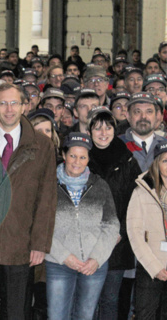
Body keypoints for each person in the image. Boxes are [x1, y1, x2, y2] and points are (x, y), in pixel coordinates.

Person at [0, 83, 57, 320]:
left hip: (21, 245)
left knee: (17, 311)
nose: (9, 109)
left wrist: (39, 243)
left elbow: (46, 197)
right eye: (3, 103)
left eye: (14, 103)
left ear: (24, 106)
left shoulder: (43, 146)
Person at [46, 133, 120, 320]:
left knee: (86, 316)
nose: (77, 161)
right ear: (64, 155)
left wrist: (96, 258)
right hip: (58, 263)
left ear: (88, 159)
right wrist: (65, 257)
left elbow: (111, 225)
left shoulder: (100, 186)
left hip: (93, 265)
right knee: (56, 316)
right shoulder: (48, 185)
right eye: (72, 155)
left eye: (82, 157)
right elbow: (40, 226)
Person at [86, 107, 141, 319]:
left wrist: (122, 232)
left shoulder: (127, 160)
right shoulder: (79, 157)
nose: (103, 132)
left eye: (108, 127)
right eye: (97, 127)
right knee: (86, 299)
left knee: (110, 299)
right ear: (89, 130)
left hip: (117, 244)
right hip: (85, 243)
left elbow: (137, 203)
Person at [127, 142, 167, 318]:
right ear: (156, 164)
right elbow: (135, 234)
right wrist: (155, 267)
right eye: (165, 161)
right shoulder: (142, 191)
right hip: (150, 269)